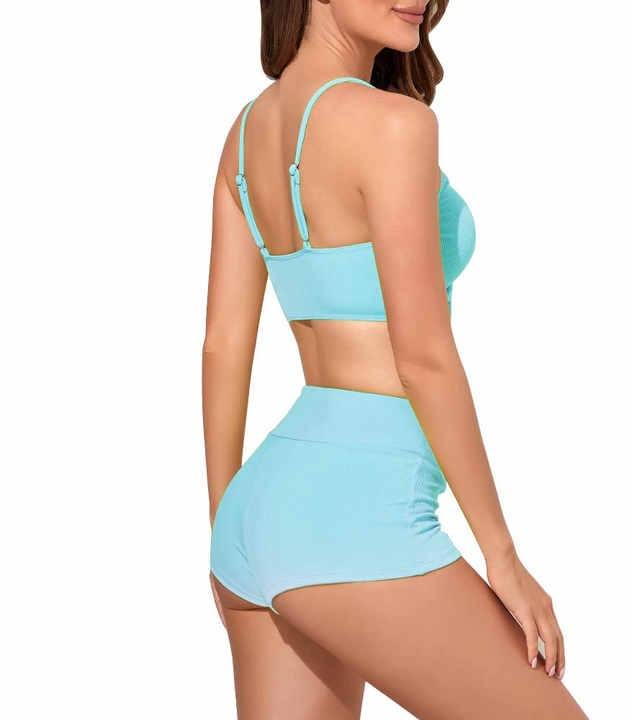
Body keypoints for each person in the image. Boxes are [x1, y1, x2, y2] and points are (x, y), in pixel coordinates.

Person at [203, 1, 588, 717]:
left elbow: (224, 345)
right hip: (359, 509)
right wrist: (502, 558)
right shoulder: (394, 126)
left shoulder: (245, 134)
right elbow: (423, 358)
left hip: (255, 511)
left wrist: (223, 527)